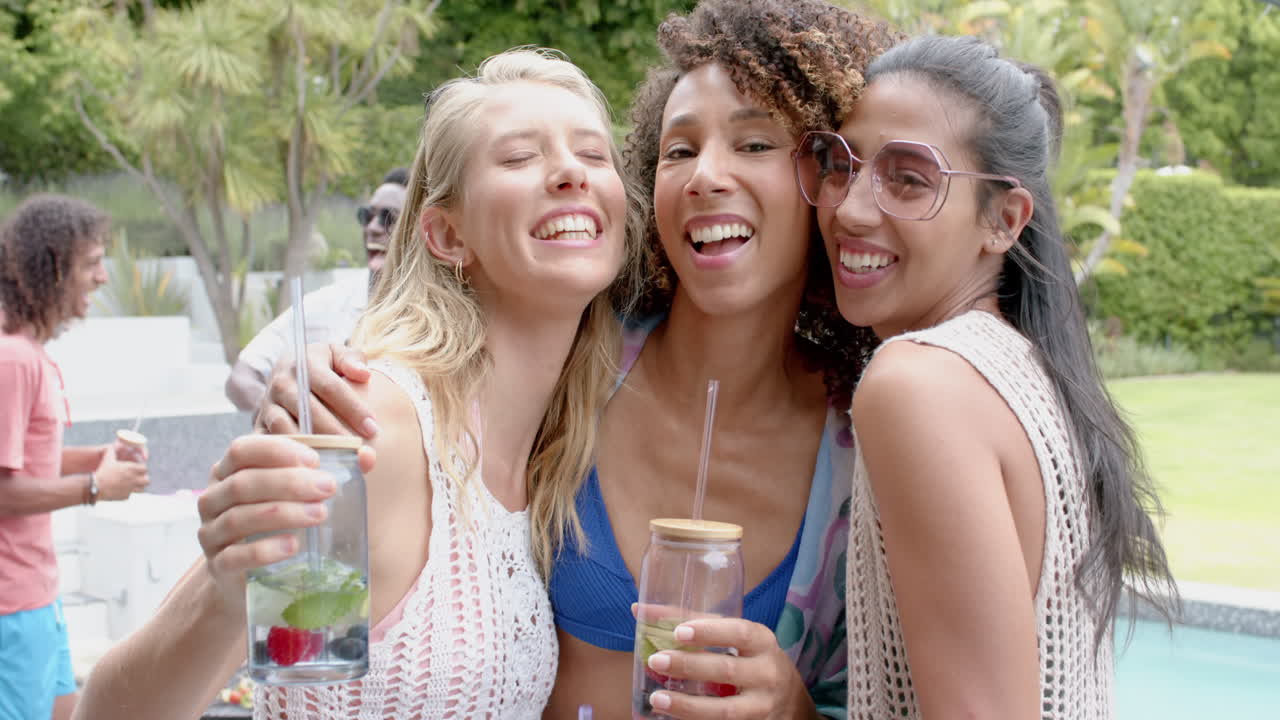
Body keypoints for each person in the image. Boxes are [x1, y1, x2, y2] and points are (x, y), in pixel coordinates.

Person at [257, 3, 898, 718]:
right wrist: (334, 378)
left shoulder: (861, 457)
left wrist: (797, 712)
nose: (705, 176)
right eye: (677, 151)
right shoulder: (578, 361)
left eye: (754, 145)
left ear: (827, 181)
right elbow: (290, 666)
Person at [73, 47, 645, 720]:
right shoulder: (381, 429)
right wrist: (231, 595)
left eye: (593, 154)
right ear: (445, 234)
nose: (571, 172)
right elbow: (114, 711)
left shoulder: (554, 455)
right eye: (521, 157)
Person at [791, 35, 1178, 719]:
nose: (849, 209)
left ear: (1004, 220)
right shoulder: (1022, 369)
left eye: (908, 179)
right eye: (842, 164)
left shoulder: (917, 385)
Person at [0, 194, 150, 720]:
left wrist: (96, 459)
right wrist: (96, 488)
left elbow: (26, 459)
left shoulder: (30, 354)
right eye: (91, 263)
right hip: (12, 609)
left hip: (37, 597)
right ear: (53, 266)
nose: (103, 278)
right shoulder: (14, 358)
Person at [224, 168, 410, 411]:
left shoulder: (446, 316)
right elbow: (241, 378)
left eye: (389, 218)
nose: (372, 228)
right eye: (367, 216)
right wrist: (294, 423)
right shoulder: (329, 304)